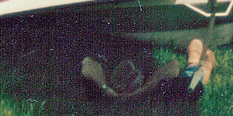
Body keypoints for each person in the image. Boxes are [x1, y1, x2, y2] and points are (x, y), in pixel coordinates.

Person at [80, 38, 215, 101]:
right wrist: (144, 91)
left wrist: (104, 87)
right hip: (145, 93)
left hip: (134, 90)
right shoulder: (153, 92)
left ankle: (198, 66)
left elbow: (88, 64)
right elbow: (173, 66)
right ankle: (198, 66)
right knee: (191, 86)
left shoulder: (103, 89)